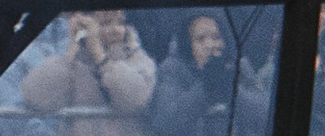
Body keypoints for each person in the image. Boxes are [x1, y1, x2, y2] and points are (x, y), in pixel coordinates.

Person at [22, 19, 157, 121]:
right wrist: (71, 54)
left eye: (120, 23)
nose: (114, 29)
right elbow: (36, 99)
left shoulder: (138, 59)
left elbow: (135, 100)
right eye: (105, 23)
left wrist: (101, 58)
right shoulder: (72, 64)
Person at [149, 16, 242, 136]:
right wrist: (206, 87)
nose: (210, 45)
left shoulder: (238, 67)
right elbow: (164, 124)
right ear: (188, 45)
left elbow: (265, 114)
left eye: (216, 37)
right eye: (200, 39)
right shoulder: (173, 69)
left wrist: (231, 88)